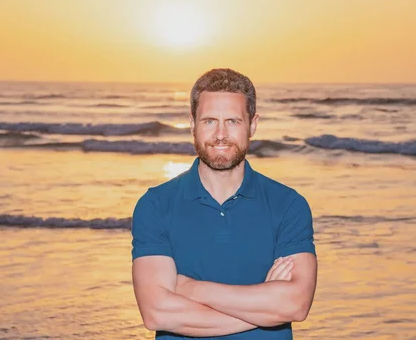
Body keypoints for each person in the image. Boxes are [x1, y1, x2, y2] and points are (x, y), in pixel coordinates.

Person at [131, 68, 317, 339]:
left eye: (232, 121)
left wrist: (193, 289)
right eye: (209, 121)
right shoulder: (156, 205)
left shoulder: (288, 205)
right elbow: (157, 313)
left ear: (252, 125)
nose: (220, 134)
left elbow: (295, 305)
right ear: (192, 124)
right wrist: (265, 308)